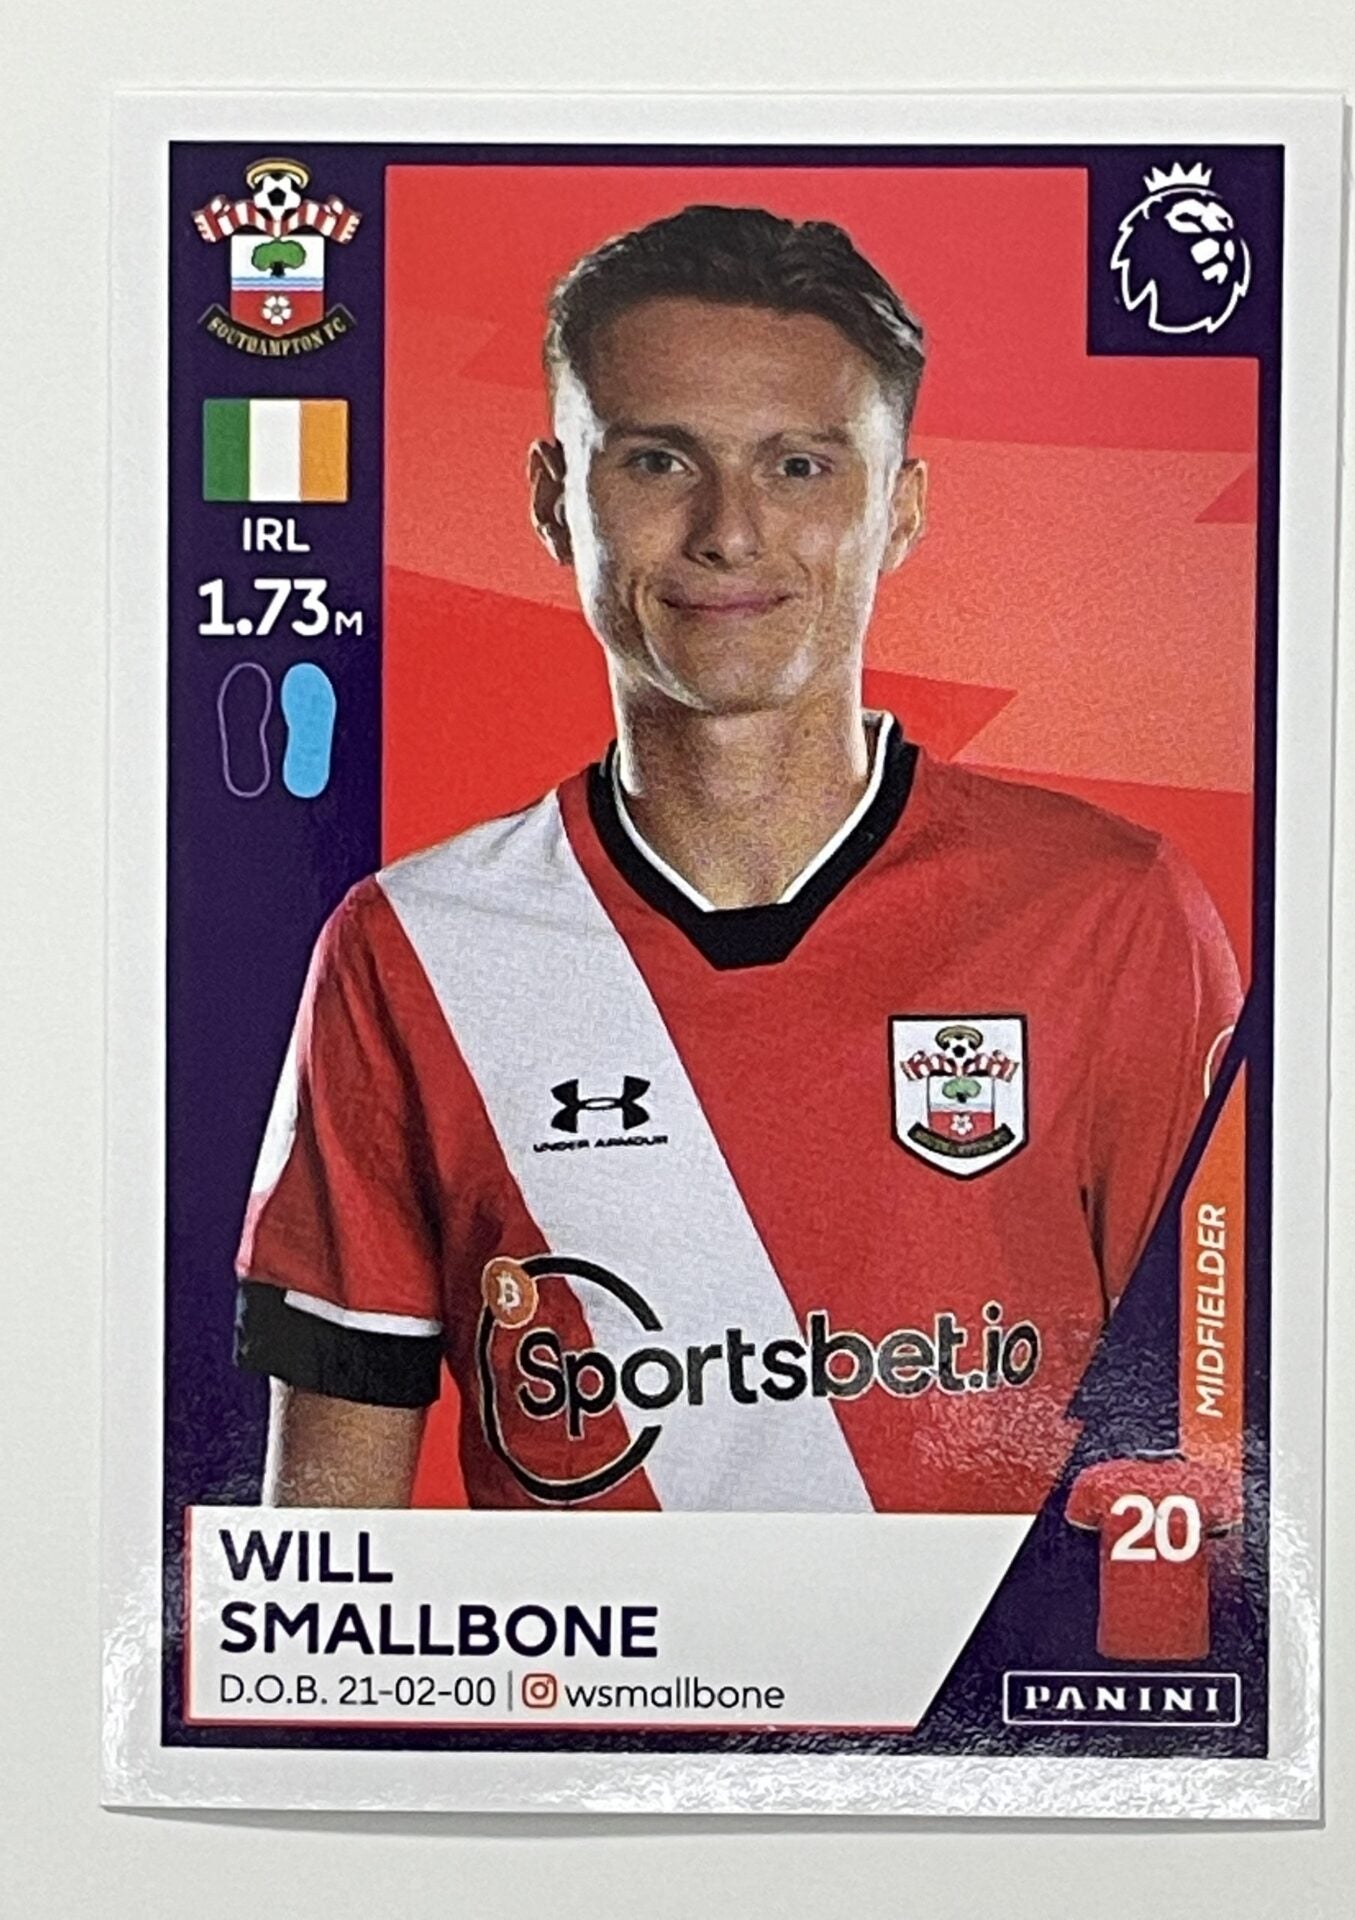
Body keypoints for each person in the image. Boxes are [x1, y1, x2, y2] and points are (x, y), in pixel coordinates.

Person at [235, 203, 1241, 1513]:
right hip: (577, 1659)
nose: (729, 531)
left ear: (900, 510)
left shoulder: (1109, 910)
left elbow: (1213, 1479)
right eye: (658, 461)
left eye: (800, 467)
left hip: (1001, 1661)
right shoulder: (408, 948)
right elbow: (327, 1575)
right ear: (554, 501)